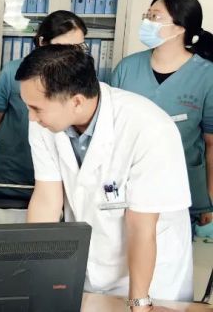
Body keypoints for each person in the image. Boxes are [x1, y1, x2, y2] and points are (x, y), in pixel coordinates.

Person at [20, 45, 193, 305]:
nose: (31, 117)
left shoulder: (149, 128)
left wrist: (140, 303)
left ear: (77, 101)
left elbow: (141, 226)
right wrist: (34, 277)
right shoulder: (45, 123)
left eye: (36, 108)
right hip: (91, 265)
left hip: (152, 275)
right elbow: (47, 198)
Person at [111, 0, 213, 230]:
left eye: (155, 17)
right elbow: (110, 128)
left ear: (179, 28)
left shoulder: (207, 75)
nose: (147, 22)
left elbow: (211, 143)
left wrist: (208, 198)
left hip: (180, 189)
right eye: (146, 15)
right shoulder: (127, 68)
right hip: (128, 186)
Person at [0, 10, 87, 200]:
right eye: (64, 48)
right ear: (42, 42)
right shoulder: (14, 72)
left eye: (79, 47)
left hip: (57, 164)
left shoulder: (82, 78)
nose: (73, 55)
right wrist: (14, 141)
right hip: (12, 163)